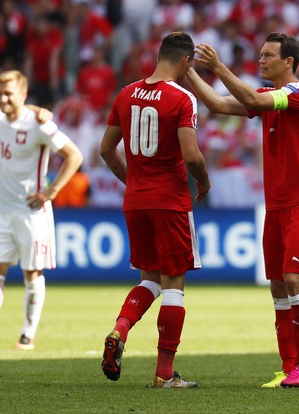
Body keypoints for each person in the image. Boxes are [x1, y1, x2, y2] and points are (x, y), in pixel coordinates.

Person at [187, 32, 299, 388]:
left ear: (289, 62)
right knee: (278, 286)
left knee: (295, 280)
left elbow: (249, 96)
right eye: (260, 54)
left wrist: (218, 66)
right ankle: (288, 367)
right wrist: (186, 70)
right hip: (277, 206)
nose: (261, 60)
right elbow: (219, 105)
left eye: (268, 55)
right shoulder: (269, 98)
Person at [100, 31, 210, 388]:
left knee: (149, 279)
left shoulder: (126, 93)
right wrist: (204, 181)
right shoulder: (182, 98)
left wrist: (130, 181)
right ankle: (164, 374)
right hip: (170, 201)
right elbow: (192, 155)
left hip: (136, 201)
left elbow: (105, 150)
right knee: (173, 284)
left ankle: (120, 329)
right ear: (186, 62)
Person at [0, 70, 83, 350]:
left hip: (32, 211)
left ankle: (27, 333)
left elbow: (75, 156)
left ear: (23, 95)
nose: (3, 99)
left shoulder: (40, 125)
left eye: (9, 94)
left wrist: (52, 191)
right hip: (2, 209)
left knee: (32, 273)